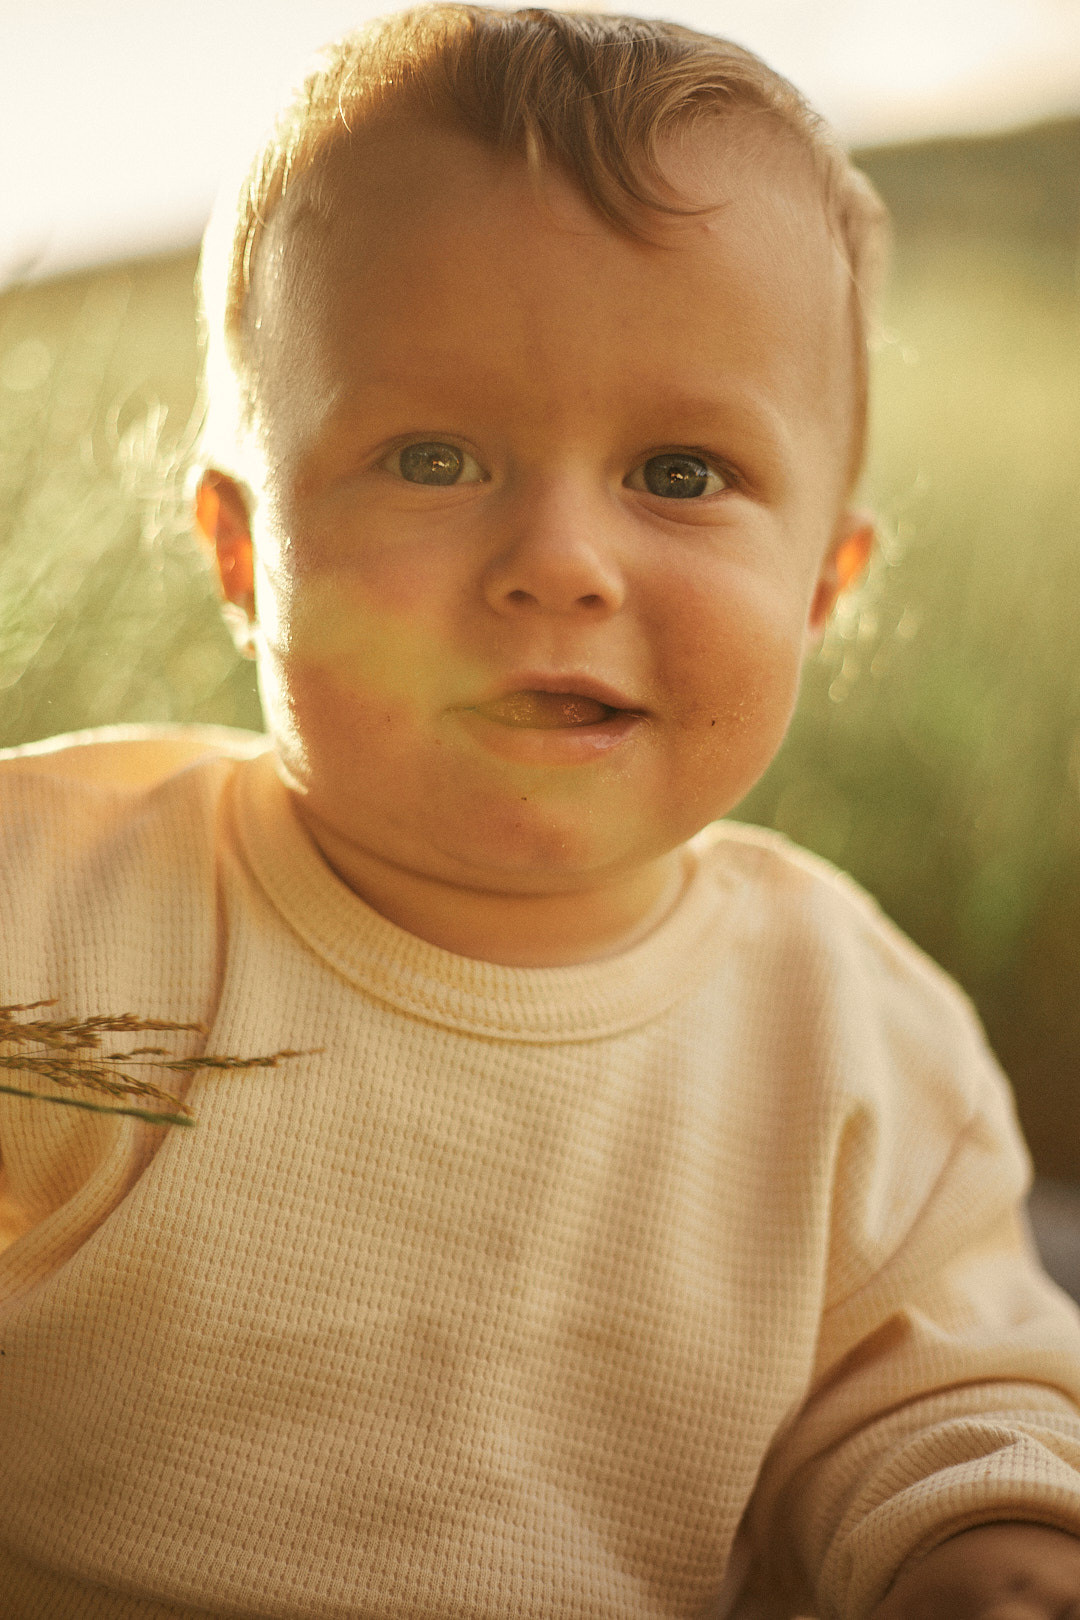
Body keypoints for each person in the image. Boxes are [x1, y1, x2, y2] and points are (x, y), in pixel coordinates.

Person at [1, 6, 1079, 1616]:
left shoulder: (852, 1035)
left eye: (681, 474)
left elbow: (943, 1395)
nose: (560, 561)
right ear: (243, 552)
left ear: (821, 587)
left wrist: (982, 1545)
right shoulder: (55, 902)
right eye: (433, 457)